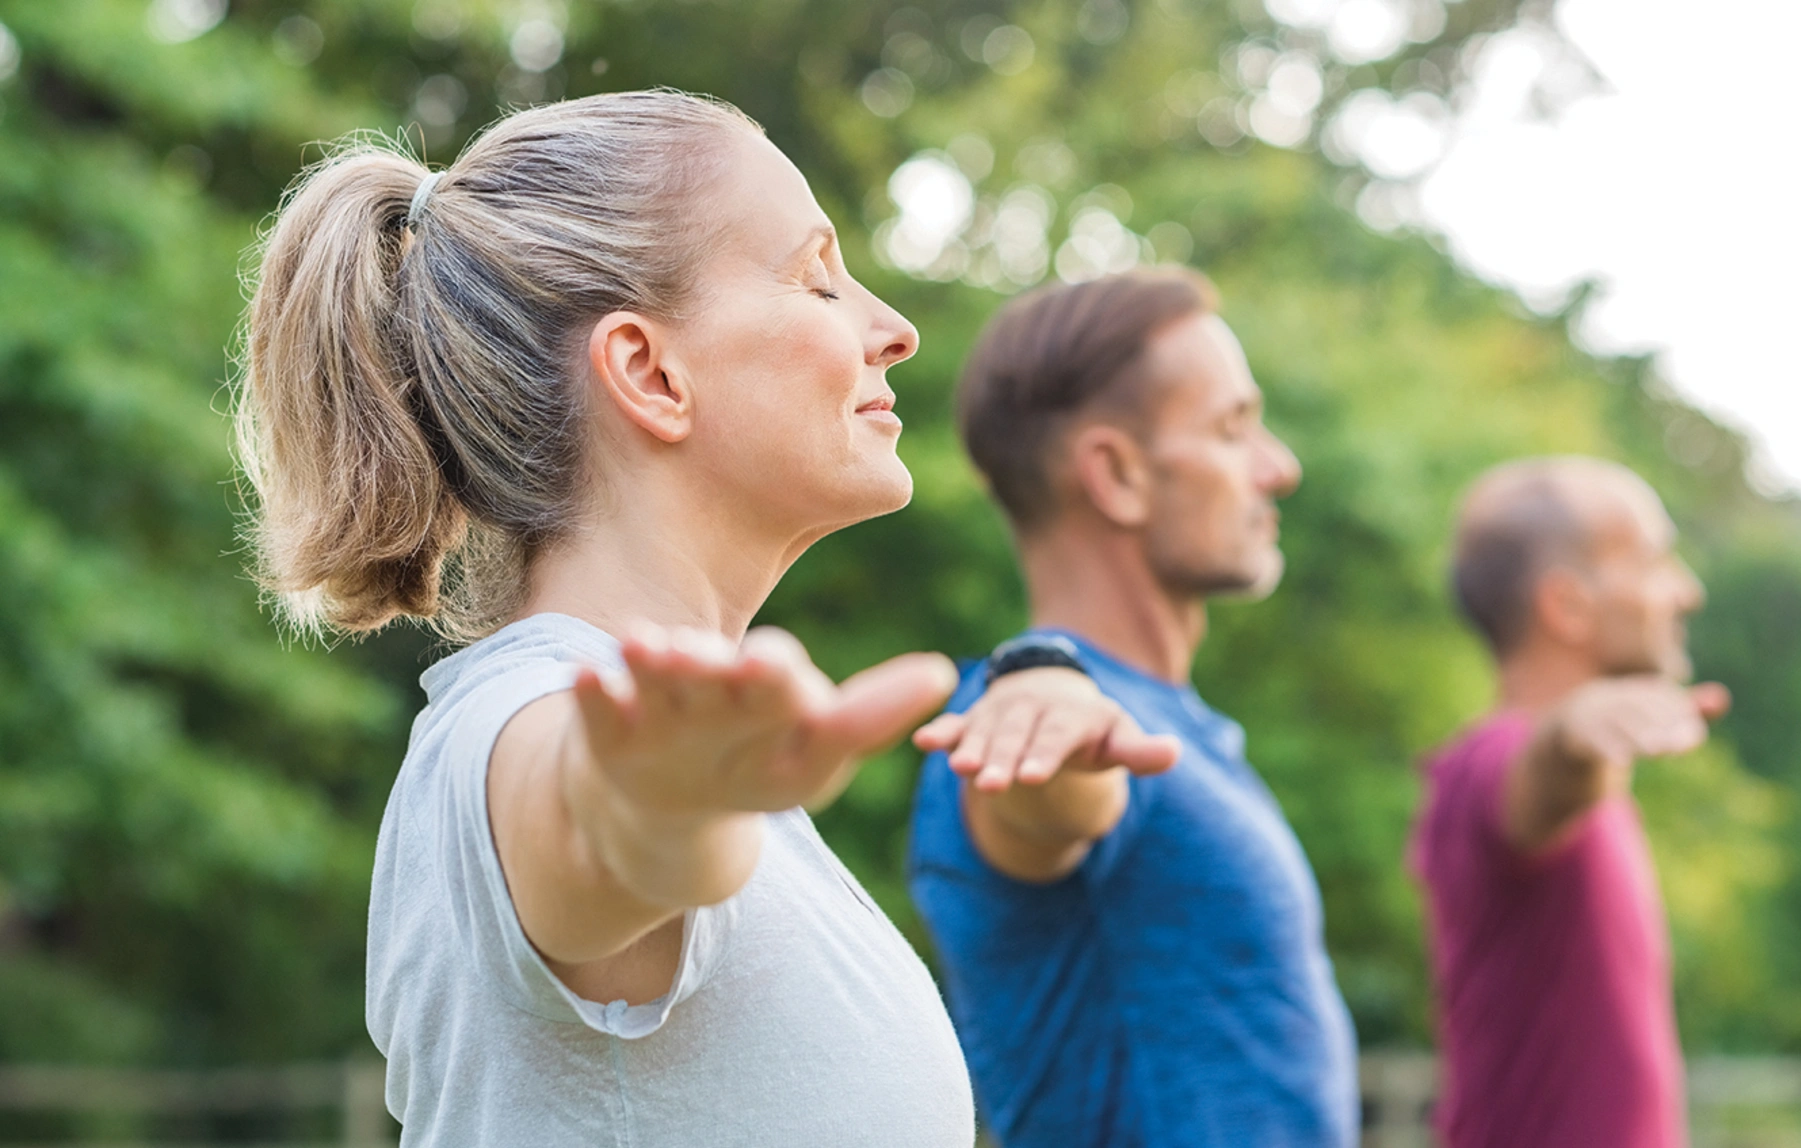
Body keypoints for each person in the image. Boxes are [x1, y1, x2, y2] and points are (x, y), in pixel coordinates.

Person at [234, 90, 1142, 1147]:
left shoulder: (697, 764)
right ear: (650, 372)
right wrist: (654, 802)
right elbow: (589, 817)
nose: (894, 329)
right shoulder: (529, 723)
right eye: (817, 276)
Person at [906, 268, 1360, 1148]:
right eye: (1235, 429)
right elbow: (1047, 796)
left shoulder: (1172, 726)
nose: (1280, 468)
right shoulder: (1026, 723)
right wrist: (1048, 699)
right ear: (1116, 474)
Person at [1409, 457, 1730, 1148]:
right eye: (1654, 561)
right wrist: (1572, 732)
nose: (1686, 591)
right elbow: (1541, 773)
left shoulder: (1601, 796)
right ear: (1568, 606)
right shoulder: (1483, 768)